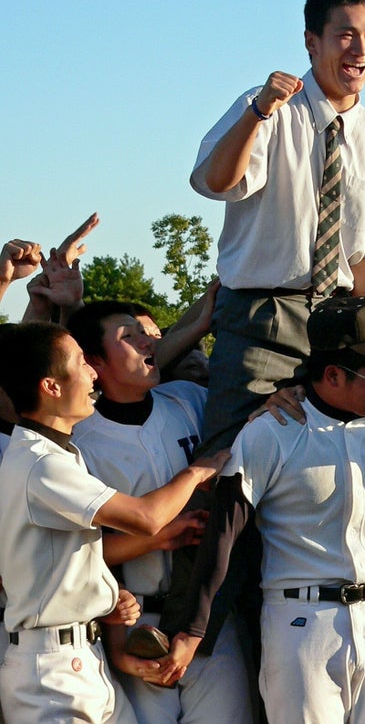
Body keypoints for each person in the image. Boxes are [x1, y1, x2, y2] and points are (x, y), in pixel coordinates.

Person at [157, 296, 365, 723]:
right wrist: (194, 628)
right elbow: (224, 534)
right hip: (303, 622)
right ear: (332, 374)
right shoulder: (271, 430)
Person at [190, 0, 365, 455]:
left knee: (332, 460)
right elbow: (217, 182)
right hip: (261, 319)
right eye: (346, 34)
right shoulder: (269, 106)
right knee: (233, 460)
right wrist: (257, 113)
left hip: (337, 325)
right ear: (312, 43)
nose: (361, 49)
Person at [0, 322, 228, 723]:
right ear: (51, 387)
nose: (92, 373)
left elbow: (67, 554)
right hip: (52, 675)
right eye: (81, 363)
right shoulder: (41, 463)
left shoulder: (54, 454)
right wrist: (197, 472)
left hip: (83, 658)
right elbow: (146, 518)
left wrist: (105, 596)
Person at [67, 301, 254, 724]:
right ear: (93, 362)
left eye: (144, 332)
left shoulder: (188, 399)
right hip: (131, 622)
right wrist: (156, 538)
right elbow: (73, 552)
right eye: (127, 337)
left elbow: (256, 417)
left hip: (209, 616)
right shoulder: (79, 439)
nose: (146, 341)